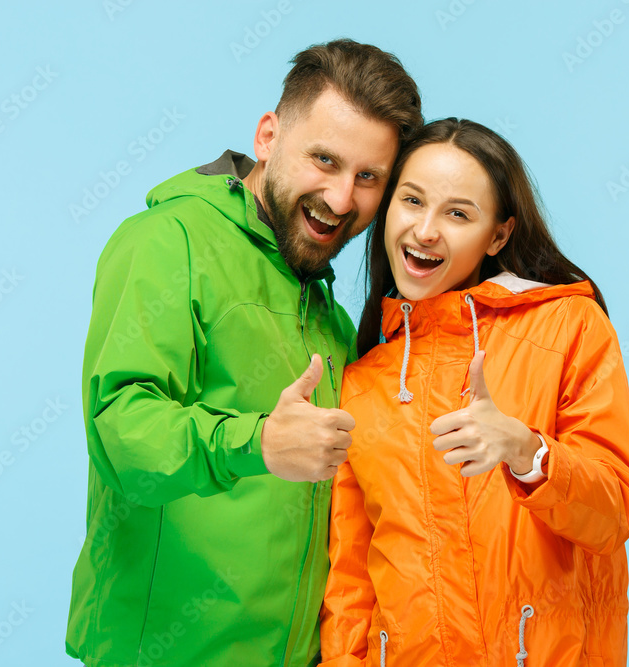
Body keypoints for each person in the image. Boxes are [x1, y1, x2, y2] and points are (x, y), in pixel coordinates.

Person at [65, 40, 422, 667]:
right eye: (324, 160)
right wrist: (258, 443)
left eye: (367, 177)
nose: (342, 199)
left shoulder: (330, 319)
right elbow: (122, 436)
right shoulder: (167, 242)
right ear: (267, 137)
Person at [319, 118, 629, 666]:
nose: (426, 231)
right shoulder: (363, 382)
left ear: (498, 235)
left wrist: (526, 451)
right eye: (412, 201)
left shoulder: (569, 328)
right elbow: (350, 585)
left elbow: (613, 514)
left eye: (458, 214)